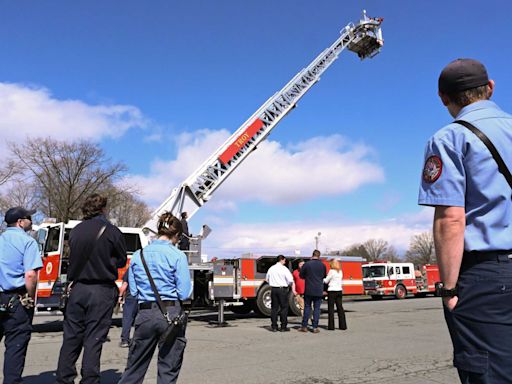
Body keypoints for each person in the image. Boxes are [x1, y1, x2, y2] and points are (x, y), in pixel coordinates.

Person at [419, 58, 512, 383]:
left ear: (444, 98)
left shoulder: (449, 140)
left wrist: (449, 289)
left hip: (488, 276)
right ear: (490, 88)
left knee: (489, 373)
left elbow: (451, 219)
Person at [56, 194, 127, 384]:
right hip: (101, 289)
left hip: (78, 288)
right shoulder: (112, 231)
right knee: (94, 339)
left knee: (71, 337)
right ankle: (89, 379)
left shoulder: (76, 230)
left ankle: (64, 378)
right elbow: (121, 260)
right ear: (103, 209)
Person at [118, 212, 192, 384]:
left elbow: (134, 292)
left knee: (134, 368)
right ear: (176, 236)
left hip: (144, 313)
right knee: (168, 369)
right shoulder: (178, 256)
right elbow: (184, 293)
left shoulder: (138, 255)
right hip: (171, 313)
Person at [0, 207, 42, 384]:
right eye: (29, 218)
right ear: (20, 222)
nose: (31, 221)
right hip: (16, 299)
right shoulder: (27, 242)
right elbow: (30, 275)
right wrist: (30, 297)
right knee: (15, 346)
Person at [265, 255, 296, 332]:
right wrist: (289, 285)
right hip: (282, 289)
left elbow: (267, 279)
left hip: (273, 289)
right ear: (281, 260)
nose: (285, 262)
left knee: (274, 308)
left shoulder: (271, 268)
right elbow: (290, 280)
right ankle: (283, 326)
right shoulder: (284, 269)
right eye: (284, 260)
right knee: (284, 308)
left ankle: (274, 326)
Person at [298, 250, 326, 333]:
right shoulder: (322, 265)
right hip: (319, 289)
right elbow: (324, 276)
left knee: (307, 307)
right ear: (319, 256)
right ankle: (315, 327)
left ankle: (304, 326)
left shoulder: (307, 264)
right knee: (317, 309)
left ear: (312, 255)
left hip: (309, 289)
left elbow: (301, 276)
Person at [324, 259, 347, 331]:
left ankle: (331, 326)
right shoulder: (340, 272)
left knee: (331, 309)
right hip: (339, 290)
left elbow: (326, 281)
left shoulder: (331, 271)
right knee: (340, 308)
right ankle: (343, 325)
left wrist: (322, 278)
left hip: (332, 291)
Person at [119, 268, 138, 348]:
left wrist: (120, 295)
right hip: (144, 297)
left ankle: (125, 340)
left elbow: (125, 284)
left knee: (127, 318)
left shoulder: (131, 269)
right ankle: (138, 340)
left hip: (131, 296)